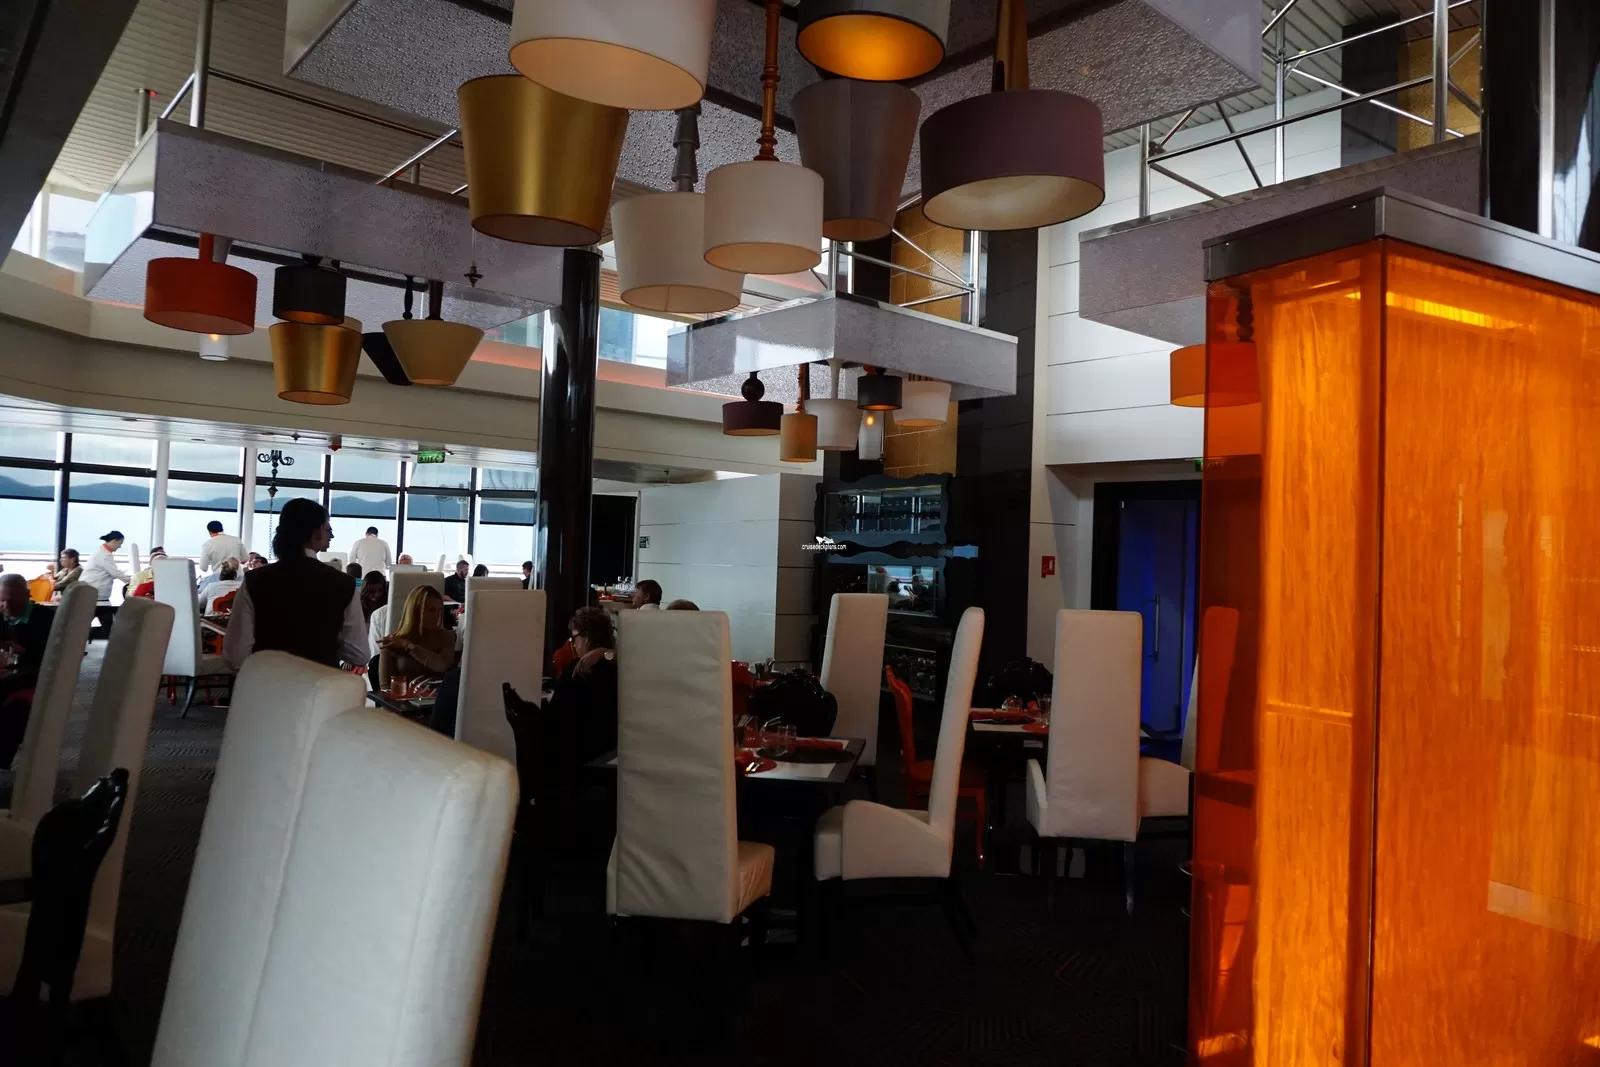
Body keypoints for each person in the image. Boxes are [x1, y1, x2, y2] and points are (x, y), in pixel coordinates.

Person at [223, 498, 369, 670]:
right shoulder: (344, 583)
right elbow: (360, 654)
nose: (331, 536)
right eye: (328, 529)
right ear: (317, 532)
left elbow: (235, 656)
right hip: (322, 682)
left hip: (267, 681)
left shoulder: (254, 580)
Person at [547, 606, 619, 768]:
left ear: (587, 637)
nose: (572, 644)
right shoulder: (620, 669)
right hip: (610, 756)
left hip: (576, 760)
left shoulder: (578, 671)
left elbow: (556, 719)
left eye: (574, 638)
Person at [0, 573, 57, 767]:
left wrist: (23, 651)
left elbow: (54, 656)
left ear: (27, 595)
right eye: (2, 601)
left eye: (11, 601)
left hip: (34, 675)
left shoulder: (45, 618)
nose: (6, 606)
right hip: (8, 673)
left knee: (15, 712)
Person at [377, 585, 456, 689]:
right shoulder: (392, 643)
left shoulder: (446, 636)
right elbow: (385, 688)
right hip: (405, 698)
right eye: (431, 610)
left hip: (439, 697)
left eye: (440, 610)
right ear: (416, 611)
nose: (437, 616)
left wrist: (409, 646)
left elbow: (442, 665)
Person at [82, 531, 131, 640]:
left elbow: (111, 572)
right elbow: (115, 573)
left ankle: (114, 645)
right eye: (120, 543)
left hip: (98, 597)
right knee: (104, 626)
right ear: (114, 541)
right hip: (96, 596)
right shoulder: (104, 555)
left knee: (104, 625)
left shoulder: (103, 553)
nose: (120, 547)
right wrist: (133, 580)